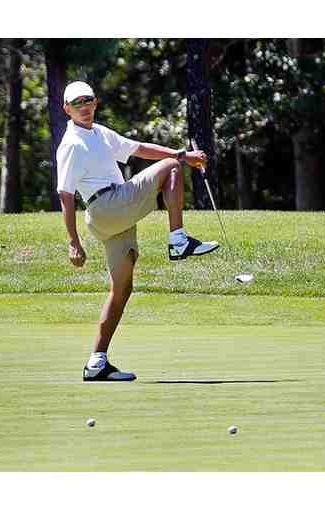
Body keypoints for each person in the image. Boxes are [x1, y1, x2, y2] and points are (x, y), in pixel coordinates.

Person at [56, 81, 219, 382]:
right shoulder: (71, 144)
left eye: (88, 100)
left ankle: (97, 362)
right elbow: (65, 195)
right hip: (107, 206)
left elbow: (137, 149)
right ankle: (178, 240)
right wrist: (73, 242)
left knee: (122, 289)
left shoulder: (101, 133)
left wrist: (181, 153)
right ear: (66, 109)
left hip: (113, 213)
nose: (84, 107)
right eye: (77, 103)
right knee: (171, 167)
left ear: (95, 102)